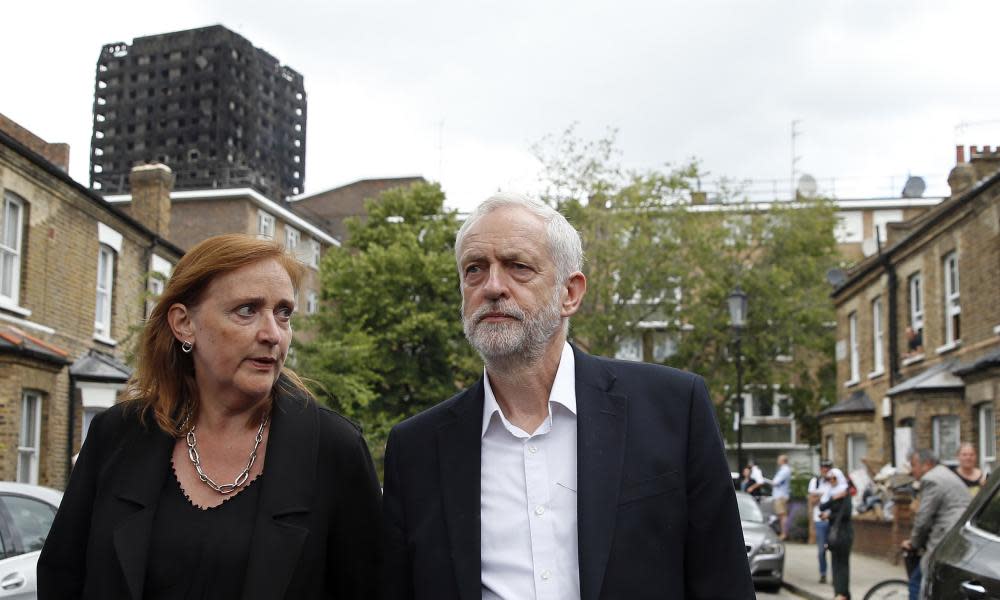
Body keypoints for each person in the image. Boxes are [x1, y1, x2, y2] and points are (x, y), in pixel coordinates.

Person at [380, 193, 753, 599]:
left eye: (518, 267)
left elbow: (724, 582)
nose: (492, 286)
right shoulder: (416, 449)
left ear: (570, 293)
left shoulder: (674, 410)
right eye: (474, 269)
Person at [37, 234, 382, 599]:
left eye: (284, 313)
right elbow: (63, 576)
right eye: (247, 310)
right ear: (184, 323)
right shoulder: (118, 434)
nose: (272, 334)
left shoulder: (334, 449)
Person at [901, 448, 971, 600]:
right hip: (958, 537)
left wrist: (914, 543)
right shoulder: (945, 474)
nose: (912, 470)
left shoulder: (932, 479)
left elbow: (923, 518)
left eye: (914, 465)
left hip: (945, 538)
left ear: (926, 464)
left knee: (917, 582)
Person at [820, 472, 853, 600]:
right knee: (835, 563)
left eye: (833, 478)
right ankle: (838, 592)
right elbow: (822, 506)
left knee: (842, 564)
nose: (831, 481)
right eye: (829, 479)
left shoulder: (845, 493)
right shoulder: (832, 493)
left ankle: (843, 593)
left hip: (844, 532)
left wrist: (829, 516)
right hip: (833, 533)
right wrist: (833, 498)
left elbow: (846, 514)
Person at [807, 463, 833, 584]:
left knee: (834, 548)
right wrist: (820, 495)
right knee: (821, 550)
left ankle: (835, 575)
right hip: (820, 520)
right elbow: (812, 501)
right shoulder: (815, 482)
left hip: (833, 520)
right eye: (823, 468)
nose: (825, 471)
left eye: (828, 468)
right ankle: (823, 573)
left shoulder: (834, 482)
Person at [769, 455, 793, 539]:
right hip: (781, 495)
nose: (777, 461)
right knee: (782, 515)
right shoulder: (785, 470)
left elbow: (775, 482)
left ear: (783, 461)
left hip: (780, 496)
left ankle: (784, 534)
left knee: (782, 516)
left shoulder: (784, 470)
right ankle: (784, 533)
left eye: (779, 459)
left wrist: (767, 481)